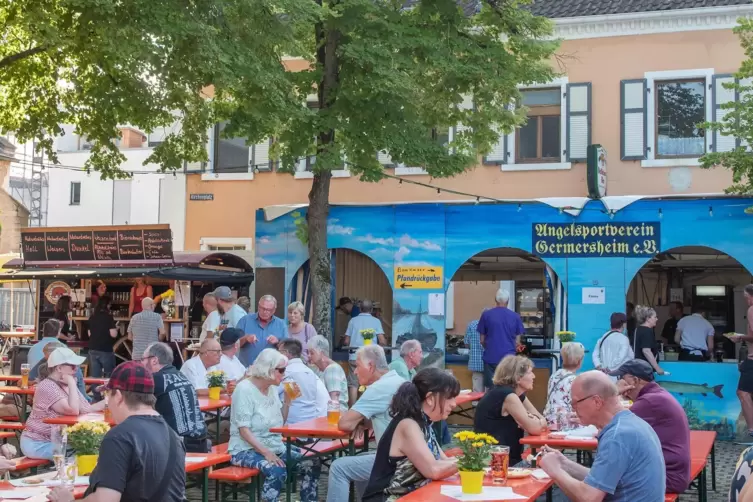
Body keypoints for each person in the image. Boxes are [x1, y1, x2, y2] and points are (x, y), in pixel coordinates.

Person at [47, 361, 187, 502]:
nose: (107, 403)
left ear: (118, 396)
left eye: (108, 395)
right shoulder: (172, 435)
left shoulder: (119, 437)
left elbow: (106, 499)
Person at [538, 371, 666, 501]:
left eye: (575, 403)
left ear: (597, 402)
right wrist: (564, 464)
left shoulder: (617, 436)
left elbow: (589, 497)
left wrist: (554, 471)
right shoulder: (630, 424)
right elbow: (601, 479)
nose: (573, 408)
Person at [228, 348, 321, 502]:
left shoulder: (271, 388)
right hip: (244, 449)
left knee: (312, 462)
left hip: (274, 446)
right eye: (282, 370)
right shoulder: (244, 389)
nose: (284, 374)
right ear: (268, 369)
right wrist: (266, 453)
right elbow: (244, 431)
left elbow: (280, 423)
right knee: (277, 469)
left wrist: (287, 401)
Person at [362, 368, 460, 501]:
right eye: (450, 397)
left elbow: (443, 462)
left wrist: (480, 461)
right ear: (430, 398)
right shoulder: (408, 425)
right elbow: (434, 470)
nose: (454, 404)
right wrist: (470, 461)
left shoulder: (424, 422)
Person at [327, 345, 407, 502]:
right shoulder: (399, 380)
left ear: (370, 366)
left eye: (357, 366)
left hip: (395, 460)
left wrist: (357, 420)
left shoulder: (378, 388)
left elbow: (344, 424)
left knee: (339, 467)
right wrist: (362, 419)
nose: (355, 371)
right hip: (407, 455)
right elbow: (372, 420)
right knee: (359, 461)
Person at [611, 359, 691, 494]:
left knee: (601, 483)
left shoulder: (650, 401)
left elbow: (612, 428)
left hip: (667, 476)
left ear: (634, 381)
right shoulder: (655, 395)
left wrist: (615, 393)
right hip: (671, 472)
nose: (618, 382)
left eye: (621, 378)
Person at [21, 348, 105, 459]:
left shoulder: (65, 385)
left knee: (95, 449)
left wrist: (109, 400)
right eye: (73, 366)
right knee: (86, 453)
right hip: (38, 443)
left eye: (77, 366)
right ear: (59, 368)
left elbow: (85, 409)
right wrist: (71, 383)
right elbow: (73, 411)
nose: (76, 370)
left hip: (58, 440)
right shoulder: (47, 386)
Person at [474, 355, 546, 466]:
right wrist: (535, 421)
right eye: (530, 372)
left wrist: (536, 420)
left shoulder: (516, 394)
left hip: (507, 459)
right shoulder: (508, 396)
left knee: (547, 460)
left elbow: (542, 419)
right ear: (518, 377)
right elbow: (535, 429)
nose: (534, 376)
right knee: (548, 465)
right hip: (497, 463)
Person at [142, 342, 210, 453]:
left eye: (143, 359)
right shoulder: (180, 375)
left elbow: (131, 403)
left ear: (154, 360)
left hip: (180, 445)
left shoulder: (155, 379)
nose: (142, 363)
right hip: (201, 442)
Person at [477, 289, 525, 389]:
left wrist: (490, 347)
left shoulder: (486, 315)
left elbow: (481, 340)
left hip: (490, 358)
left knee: (491, 389)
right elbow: (517, 342)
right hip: (509, 359)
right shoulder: (515, 317)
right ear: (508, 301)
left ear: (495, 299)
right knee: (508, 387)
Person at [343, 299, 387, 406]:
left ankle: (352, 409)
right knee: (368, 383)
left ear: (360, 309)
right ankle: (364, 410)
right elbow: (382, 341)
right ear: (371, 309)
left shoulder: (353, 321)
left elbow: (346, 341)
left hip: (354, 356)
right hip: (370, 359)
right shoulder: (376, 321)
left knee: (353, 384)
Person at [277, 339, 328, 423]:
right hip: (311, 423)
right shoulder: (311, 372)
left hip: (291, 425)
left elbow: (269, 395)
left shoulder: (285, 373)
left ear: (285, 353)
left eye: (279, 352)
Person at [236, 294, 288, 367]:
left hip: (271, 370)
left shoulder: (281, 324)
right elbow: (234, 345)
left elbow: (287, 349)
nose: (265, 312)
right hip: (247, 368)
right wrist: (246, 338)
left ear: (274, 310)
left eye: (268, 310)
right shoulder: (245, 320)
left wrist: (277, 342)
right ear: (258, 306)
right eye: (262, 308)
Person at [543, 342, 585, 425]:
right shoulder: (575, 381)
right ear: (580, 362)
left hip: (550, 421)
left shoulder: (554, 375)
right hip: (566, 423)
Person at [732, 285, 753, 436]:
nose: (746, 301)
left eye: (746, 297)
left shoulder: (752, 309)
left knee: (743, 393)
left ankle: (752, 429)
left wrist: (739, 337)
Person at [308, 335, 348, 412]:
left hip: (334, 416)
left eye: (312, 353)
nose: (309, 356)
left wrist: (330, 422)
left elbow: (334, 399)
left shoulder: (332, 369)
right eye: (308, 352)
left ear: (321, 353)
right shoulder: (320, 370)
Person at [87, 294, 118, 379]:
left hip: (93, 348)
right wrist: (116, 329)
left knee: (95, 376)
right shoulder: (108, 317)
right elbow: (113, 334)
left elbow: (89, 334)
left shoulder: (92, 317)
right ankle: (108, 392)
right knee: (109, 375)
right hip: (105, 349)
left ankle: (96, 392)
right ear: (107, 305)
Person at [592, 313, 632, 379]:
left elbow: (595, 354)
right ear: (623, 324)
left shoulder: (603, 337)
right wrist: (610, 368)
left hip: (602, 375)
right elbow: (621, 357)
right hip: (616, 376)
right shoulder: (624, 339)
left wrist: (599, 366)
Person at [633, 305, 666, 375]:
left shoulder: (638, 329)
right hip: (644, 369)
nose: (657, 319)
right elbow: (646, 351)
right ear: (648, 318)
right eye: (655, 317)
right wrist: (657, 368)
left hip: (638, 367)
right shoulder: (647, 331)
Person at [464, 311, 486, 392]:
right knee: (489, 391)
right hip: (490, 363)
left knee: (477, 390)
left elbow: (466, 343)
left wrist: (474, 347)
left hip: (476, 363)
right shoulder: (493, 326)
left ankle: (476, 404)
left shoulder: (472, 325)